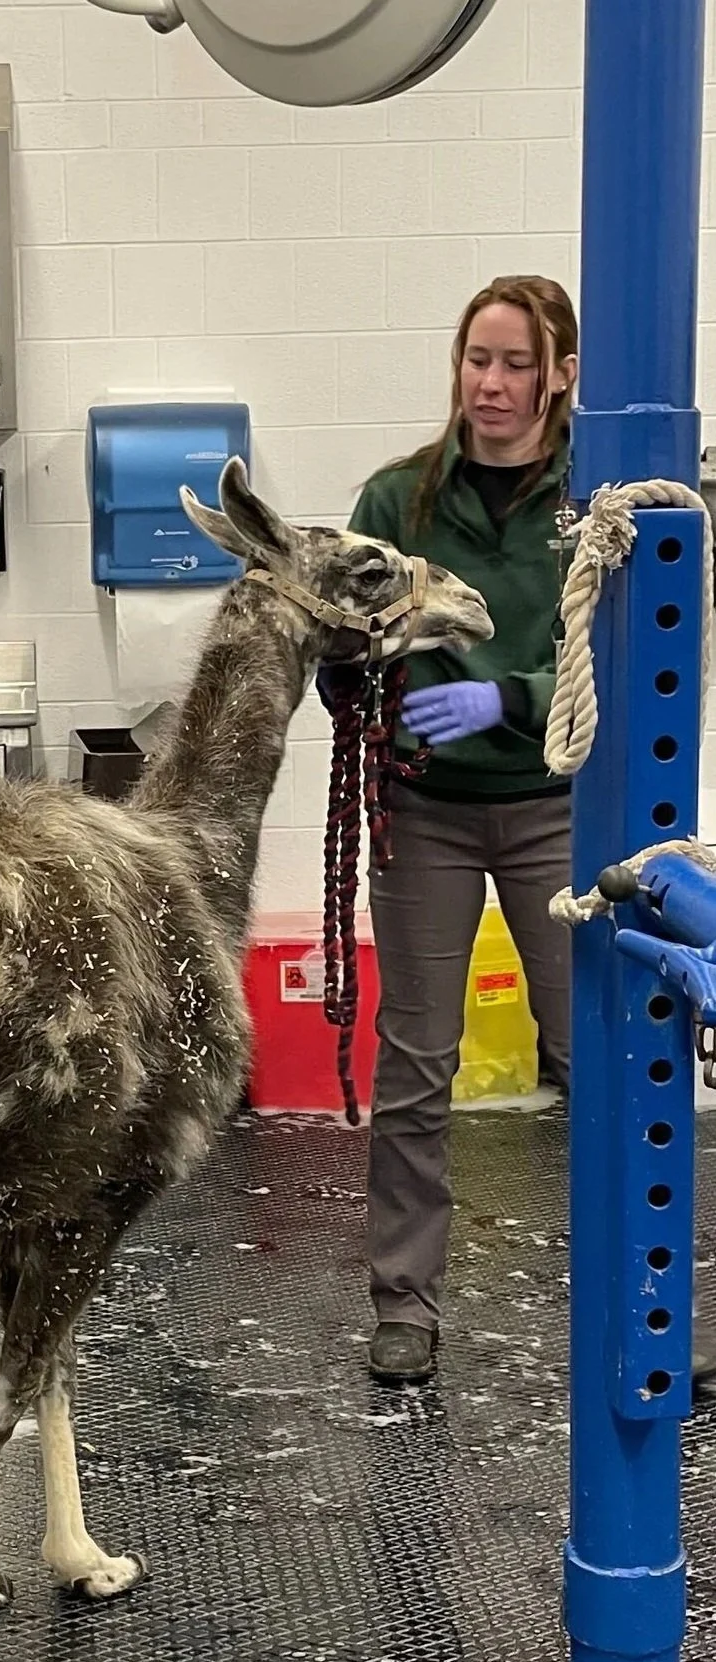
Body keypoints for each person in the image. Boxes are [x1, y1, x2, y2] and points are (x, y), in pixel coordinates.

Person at [339, 274, 579, 1385]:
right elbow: (342, 648)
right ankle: (406, 1306)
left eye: (516, 363)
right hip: (427, 814)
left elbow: (624, 665)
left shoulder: (597, 504)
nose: (490, 383)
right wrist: (354, 676)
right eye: (476, 359)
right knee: (417, 1066)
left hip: (557, 814)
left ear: (560, 375)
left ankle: (643, 1295)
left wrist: (510, 696)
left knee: (599, 1057)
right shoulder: (399, 503)